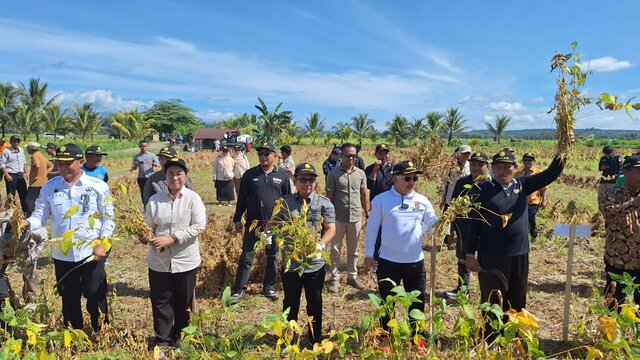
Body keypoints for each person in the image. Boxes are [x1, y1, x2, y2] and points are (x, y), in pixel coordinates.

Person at [464, 150, 564, 341]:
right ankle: (491, 336)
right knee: (492, 297)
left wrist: (563, 150)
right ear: (492, 169)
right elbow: (473, 223)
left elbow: (551, 174)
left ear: (515, 168)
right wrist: (469, 253)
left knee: (517, 296)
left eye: (507, 167)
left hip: (519, 253)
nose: (502, 171)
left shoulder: (523, 185)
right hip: (491, 255)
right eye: (498, 167)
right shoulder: (481, 189)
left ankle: (513, 334)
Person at [23, 143, 115, 332]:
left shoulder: (97, 186)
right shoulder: (50, 187)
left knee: (94, 293)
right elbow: (40, 214)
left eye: (68, 163)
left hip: (92, 251)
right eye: (59, 163)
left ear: (80, 162)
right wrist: (27, 223)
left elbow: (108, 218)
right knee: (69, 296)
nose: (63, 168)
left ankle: (101, 331)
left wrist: (102, 243)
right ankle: (75, 334)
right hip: (63, 254)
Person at [364, 161, 437, 332]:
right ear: (395, 179)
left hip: (415, 262)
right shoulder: (381, 200)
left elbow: (433, 223)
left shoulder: (422, 201)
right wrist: (369, 254)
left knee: (417, 303)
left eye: (415, 178)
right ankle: (386, 336)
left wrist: (445, 221)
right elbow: (372, 228)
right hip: (388, 261)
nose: (412, 182)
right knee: (387, 302)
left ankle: (416, 335)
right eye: (407, 178)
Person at [143, 157, 207, 349]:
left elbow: (199, 225)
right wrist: (146, 237)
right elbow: (147, 227)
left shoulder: (193, 198)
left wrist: (173, 238)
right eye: (170, 173)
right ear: (165, 176)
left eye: (179, 173)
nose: (175, 178)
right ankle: (163, 340)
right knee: (161, 301)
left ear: (185, 176)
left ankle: (183, 337)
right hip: (159, 260)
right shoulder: (155, 201)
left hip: (185, 259)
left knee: (184, 301)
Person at [272, 162, 336, 344]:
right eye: (302, 179)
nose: (307, 183)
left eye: (311, 179)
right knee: (290, 302)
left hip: (314, 263)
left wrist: (320, 246)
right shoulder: (284, 203)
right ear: (295, 180)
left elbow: (331, 228)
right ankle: (288, 339)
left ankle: (315, 338)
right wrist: (269, 234)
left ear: (315, 182)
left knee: (314, 302)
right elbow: (273, 223)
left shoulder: (323, 203)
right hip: (291, 263)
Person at [230, 142, 291, 302]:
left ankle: (269, 287)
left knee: (272, 255)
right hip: (253, 223)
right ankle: (240, 289)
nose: (263, 156)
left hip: (275, 225)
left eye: (266, 153)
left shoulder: (282, 176)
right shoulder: (249, 175)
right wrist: (237, 219)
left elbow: (287, 202)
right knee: (247, 256)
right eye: (260, 154)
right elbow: (242, 199)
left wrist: (286, 222)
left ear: (275, 155)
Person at [445, 151, 490, 299]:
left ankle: (488, 290)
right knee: (463, 258)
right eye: (473, 163)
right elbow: (453, 206)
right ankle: (462, 290)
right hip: (464, 227)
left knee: (486, 260)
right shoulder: (461, 182)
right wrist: (451, 228)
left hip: (485, 229)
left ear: (487, 166)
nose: (476, 167)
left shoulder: (491, 184)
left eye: (480, 164)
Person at [325, 143, 369, 292]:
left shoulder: (361, 174)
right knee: (335, 249)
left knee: (354, 249)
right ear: (342, 155)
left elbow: (364, 194)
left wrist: (367, 212)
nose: (351, 158)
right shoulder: (333, 174)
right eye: (348, 155)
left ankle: (352, 276)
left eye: (354, 156)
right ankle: (334, 278)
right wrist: (327, 218)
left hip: (356, 217)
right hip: (338, 217)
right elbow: (329, 197)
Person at [599, 155, 640, 309]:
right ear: (626, 172)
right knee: (613, 305)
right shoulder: (612, 193)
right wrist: (633, 204)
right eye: (638, 171)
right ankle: (608, 332)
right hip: (619, 260)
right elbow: (608, 212)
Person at [515, 153, 547, 243]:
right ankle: (522, 236)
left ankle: (534, 235)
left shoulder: (539, 173)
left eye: (530, 160)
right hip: (520, 201)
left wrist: (544, 200)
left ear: (534, 161)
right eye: (525, 160)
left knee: (531, 217)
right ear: (522, 161)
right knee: (521, 219)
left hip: (534, 201)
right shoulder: (518, 174)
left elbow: (543, 188)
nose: (528, 162)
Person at [0, 135, 28, 212]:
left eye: (17, 141)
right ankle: (11, 214)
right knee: (11, 196)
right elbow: (2, 165)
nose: (16, 143)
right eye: (14, 141)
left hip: (20, 175)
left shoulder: (21, 150)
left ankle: (26, 213)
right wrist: (7, 175)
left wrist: (26, 172)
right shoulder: (6, 151)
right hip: (11, 175)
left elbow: (24, 162)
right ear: (10, 142)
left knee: (24, 195)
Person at [25, 142, 53, 216]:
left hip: (36, 183)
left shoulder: (35, 156)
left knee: (29, 200)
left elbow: (37, 165)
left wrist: (36, 176)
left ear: (30, 149)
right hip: (43, 182)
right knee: (37, 200)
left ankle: (31, 217)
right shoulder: (41, 155)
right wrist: (45, 173)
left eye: (27, 148)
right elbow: (51, 166)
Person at [441, 145, 472, 210]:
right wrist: (442, 198)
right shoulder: (450, 166)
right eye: (464, 153)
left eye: (468, 154)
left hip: (464, 200)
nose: (466, 155)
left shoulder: (471, 167)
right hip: (450, 198)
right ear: (459, 154)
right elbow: (444, 182)